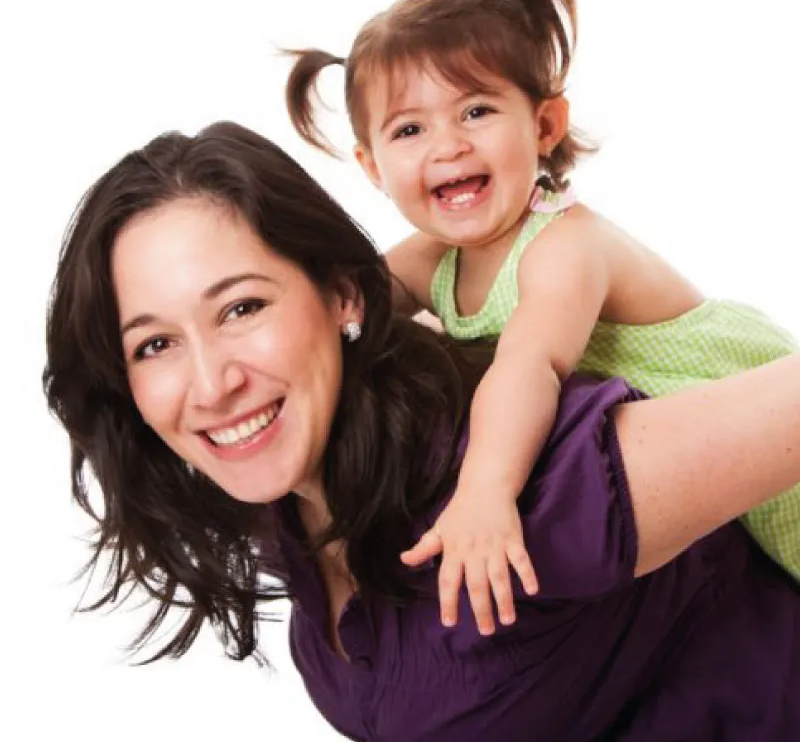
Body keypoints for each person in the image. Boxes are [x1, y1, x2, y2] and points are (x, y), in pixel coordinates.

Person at [44, 121, 800, 740]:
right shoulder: (286, 511)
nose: (211, 383)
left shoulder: (526, 491)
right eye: (155, 344)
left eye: (243, 308)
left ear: (343, 295)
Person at [285, 0, 800, 633]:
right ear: (373, 166)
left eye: (475, 112)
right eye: (410, 129)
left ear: (545, 125)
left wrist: (485, 492)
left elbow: (530, 366)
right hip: (685, 463)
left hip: (744, 407)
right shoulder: (437, 252)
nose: (448, 146)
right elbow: (356, 297)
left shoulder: (561, 245)